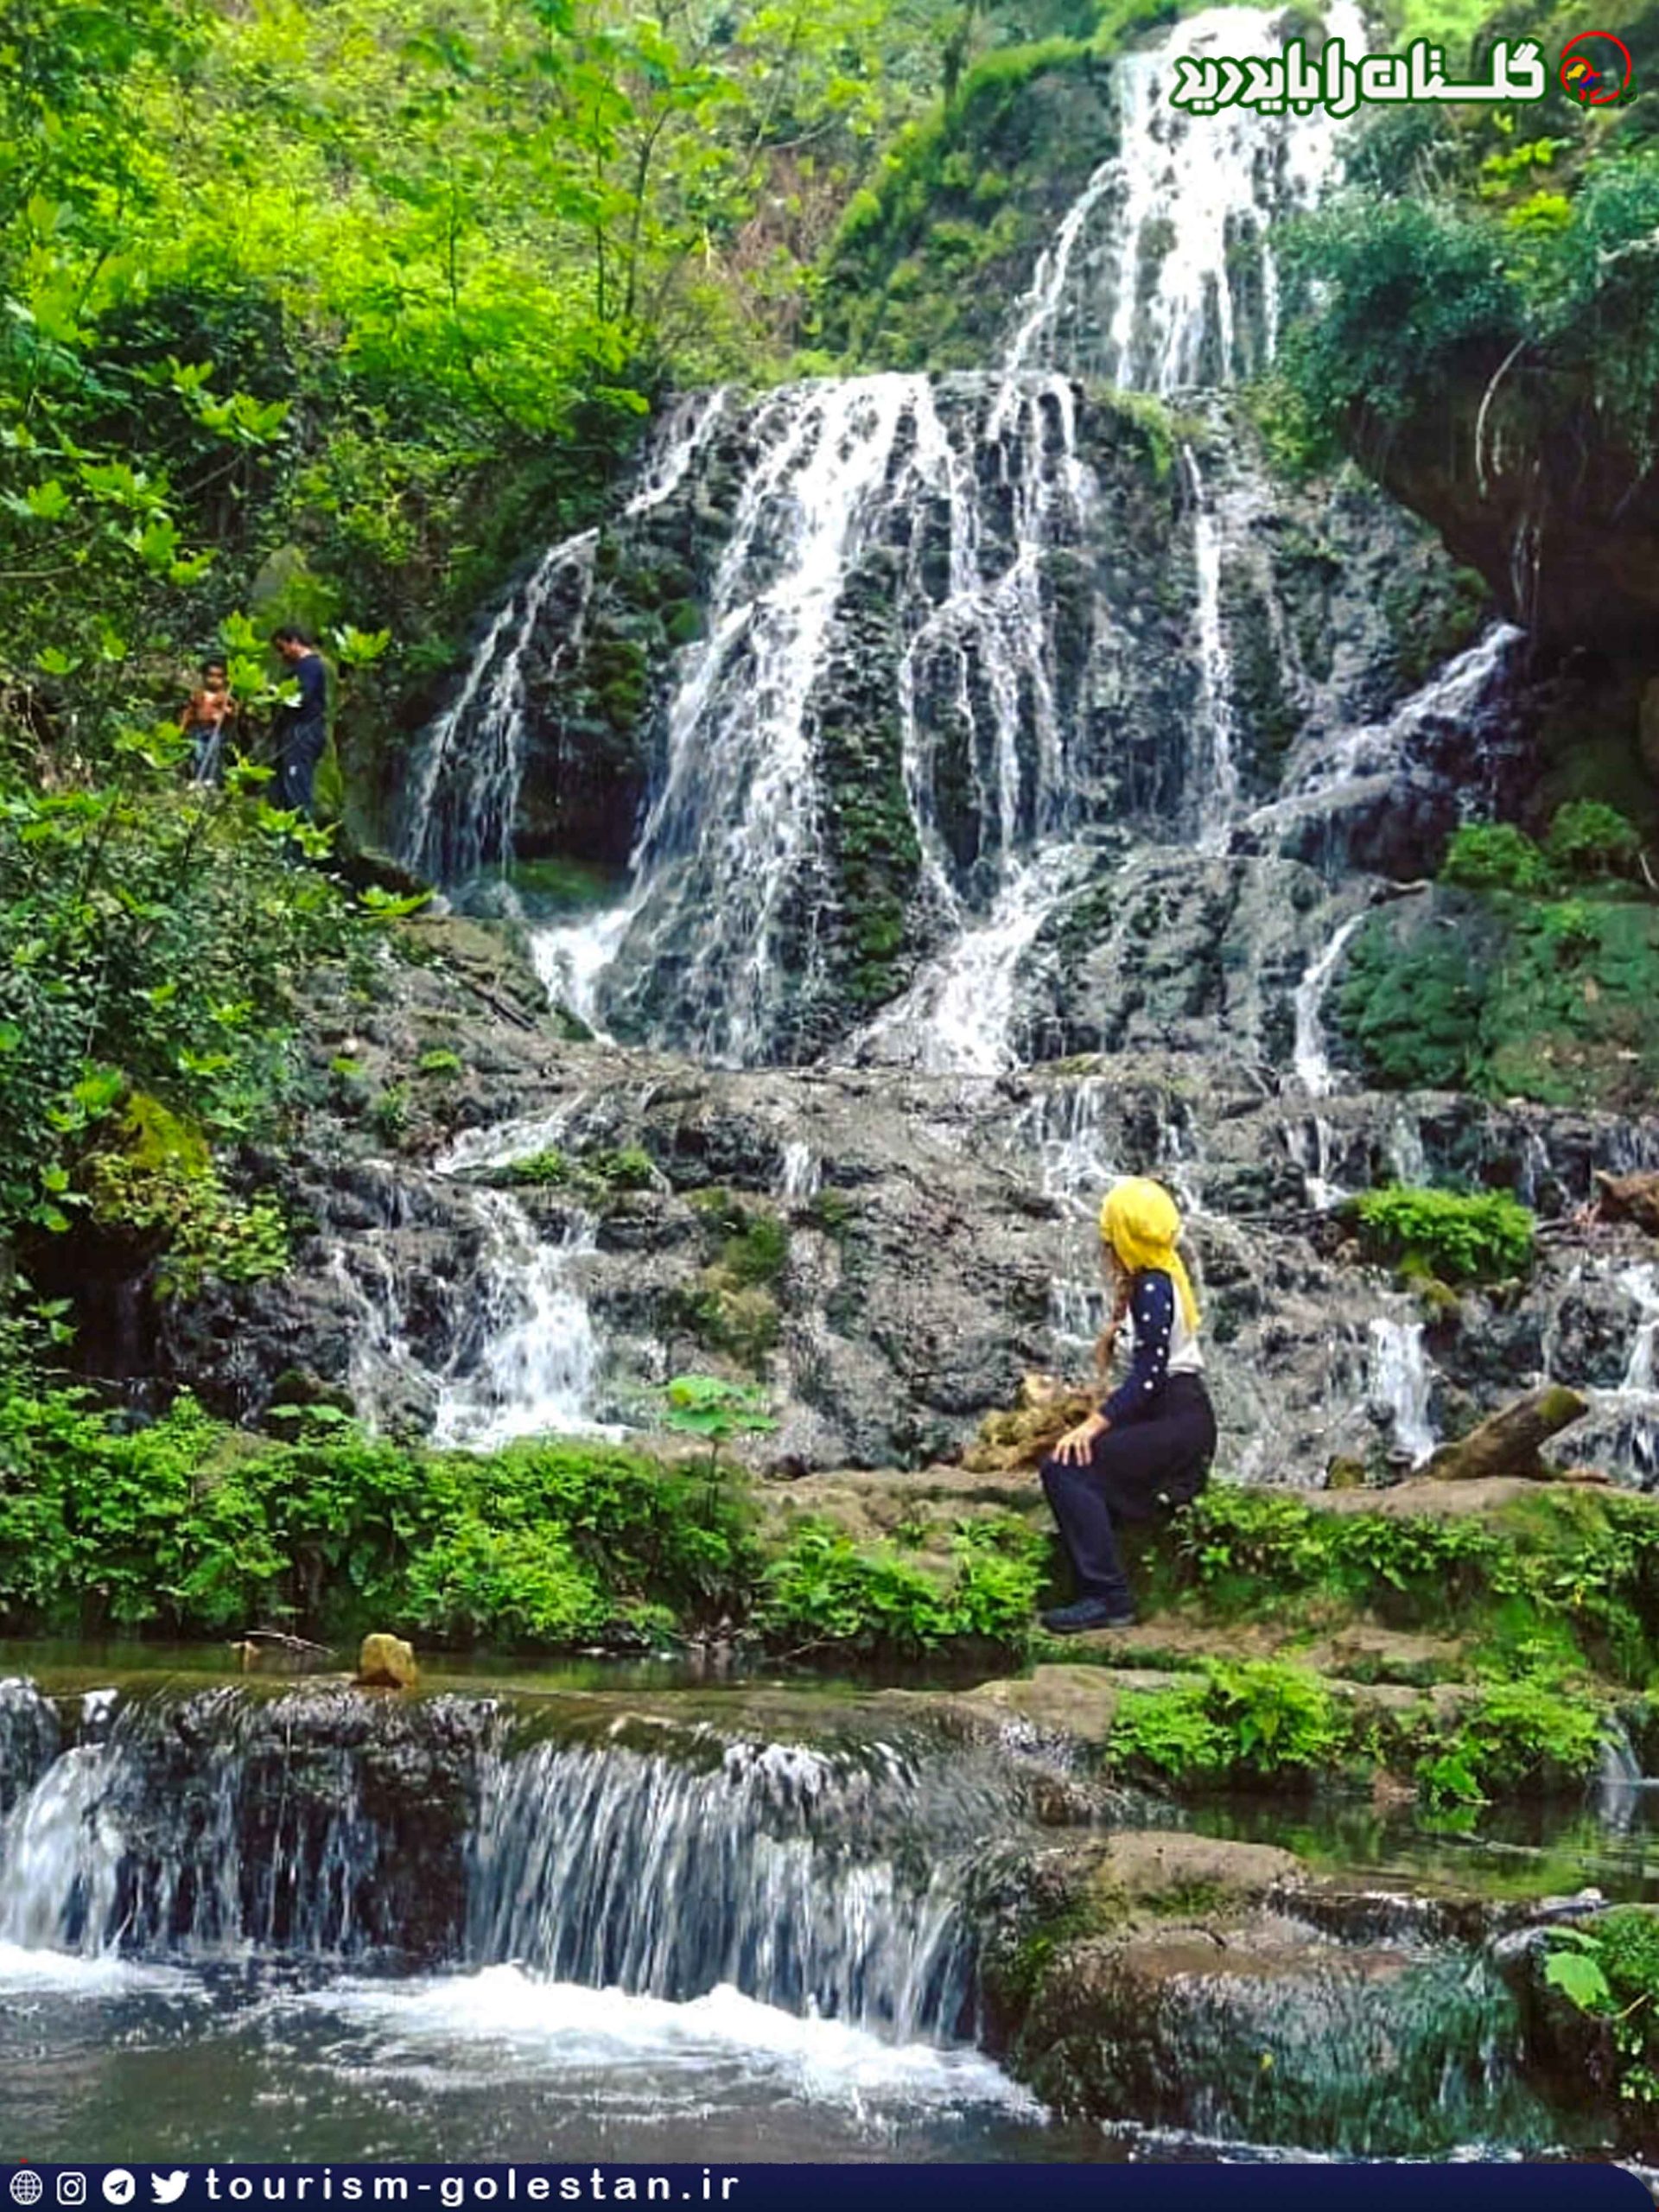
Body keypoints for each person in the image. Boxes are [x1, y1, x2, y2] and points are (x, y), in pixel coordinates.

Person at [1037, 1176, 1217, 1634]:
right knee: (1084, 1465)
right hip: (1176, 1417)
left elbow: (1151, 1376)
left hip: (1177, 1419)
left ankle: (1108, 1596)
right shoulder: (1161, 1276)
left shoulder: (1153, 1286)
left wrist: (1095, 1424)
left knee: (1065, 1467)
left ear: (1124, 1235)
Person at [270, 625, 328, 821]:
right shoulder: (300, 669)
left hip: (303, 732)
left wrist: (276, 696)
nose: (282, 656)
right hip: (293, 732)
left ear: (294, 642)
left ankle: (299, 845)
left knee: (296, 789)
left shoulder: (310, 667)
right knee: (283, 788)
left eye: (282, 648)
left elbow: (301, 697)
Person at [179, 656, 238, 786]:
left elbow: (234, 713)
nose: (214, 680)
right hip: (198, 729)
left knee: (213, 754)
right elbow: (188, 711)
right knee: (198, 753)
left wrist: (228, 713)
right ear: (204, 676)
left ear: (224, 679)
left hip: (215, 730)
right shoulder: (197, 695)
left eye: (219, 677)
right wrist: (182, 727)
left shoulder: (225, 697)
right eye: (210, 676)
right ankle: (197, 778)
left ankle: (210, 779)